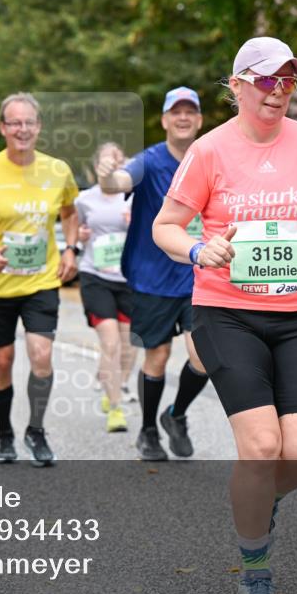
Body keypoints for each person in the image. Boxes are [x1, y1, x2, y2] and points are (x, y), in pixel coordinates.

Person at [153, 37, 297, 594]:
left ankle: (256, 505)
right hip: (226, 310)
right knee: (262, 448)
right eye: (266, 80)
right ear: (236, 85)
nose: (278, 91)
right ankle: (255, 574)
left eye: (288, 80)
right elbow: (167, 225)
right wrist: (196, 251)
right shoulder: (209, 150)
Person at [0, 92, 80, 467]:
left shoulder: (57, 171)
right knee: (3, 360)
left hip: (41, 281)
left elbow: (70, 214)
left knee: (41, 355)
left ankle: (36, 430)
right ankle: (5, 432)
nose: (22, 129)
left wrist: (72, 250)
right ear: (3, 128)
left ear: (38, 127)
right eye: (15, 123)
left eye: (29, 122)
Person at [100, 86, 211, 461]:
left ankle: (175, 415)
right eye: (175, 112)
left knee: (205, 355)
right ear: (164, 120)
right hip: (153, 278)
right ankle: (148, 430)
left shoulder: (210, 160)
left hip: (200, 277)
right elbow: (118, 184)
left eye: (190, 112)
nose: (183, 118)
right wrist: (106, 175)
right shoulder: (149, 161)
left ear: (199, 120)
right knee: (158, 357)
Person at [75, 142, 137, 433]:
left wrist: (136, 224)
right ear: (97, 165)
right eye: (107, 158)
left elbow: (158, 231)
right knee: (110, 342)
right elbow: (75, 232)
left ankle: (115, 383)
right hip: (95, 276)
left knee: (128, 345)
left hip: (129, 279)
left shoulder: (135, 197)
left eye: (119, 157)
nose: (114, 162)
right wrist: (81, 236)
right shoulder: (85, 199)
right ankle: (115, 408)